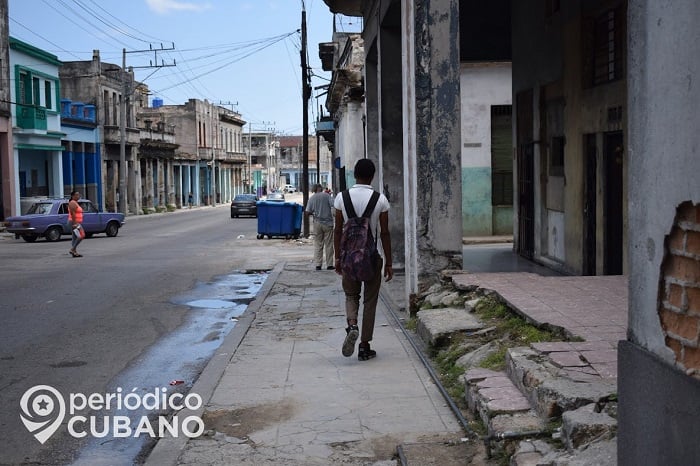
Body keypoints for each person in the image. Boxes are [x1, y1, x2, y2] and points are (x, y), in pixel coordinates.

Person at [333, 159, 393, 361]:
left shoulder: (342, 198)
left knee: (351, 295)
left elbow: (338, 230)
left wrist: (337, 257)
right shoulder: (380, 200)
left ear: (354, 175)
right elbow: (384, 233)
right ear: (372, 176)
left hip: (349, 257)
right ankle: (364, 345)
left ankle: (352, 325)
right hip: (372, 257)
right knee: (370, 301)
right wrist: (390, 262)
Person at [305, 184, 335, 270]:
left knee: (318, 244)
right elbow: (334, 205)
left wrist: (314, 213)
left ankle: (318, 265)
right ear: (320, 188)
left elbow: (307, 212)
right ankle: (329, 265)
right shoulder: (327, 196)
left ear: (314, 189)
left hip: (317, 223)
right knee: (329, 244)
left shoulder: (312, 198)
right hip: (328, 223)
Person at [68, 191, 84, 258]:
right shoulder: (72, 203)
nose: (78, 196)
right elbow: (73, 213)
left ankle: (74, 252)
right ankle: (72, 249)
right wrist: (75, 223)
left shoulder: (75, 203)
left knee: (74, 237)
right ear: (72, 196)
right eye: (76, 195)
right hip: (74, 222)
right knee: (81, 235)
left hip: (75, 222)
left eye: (78, 195)